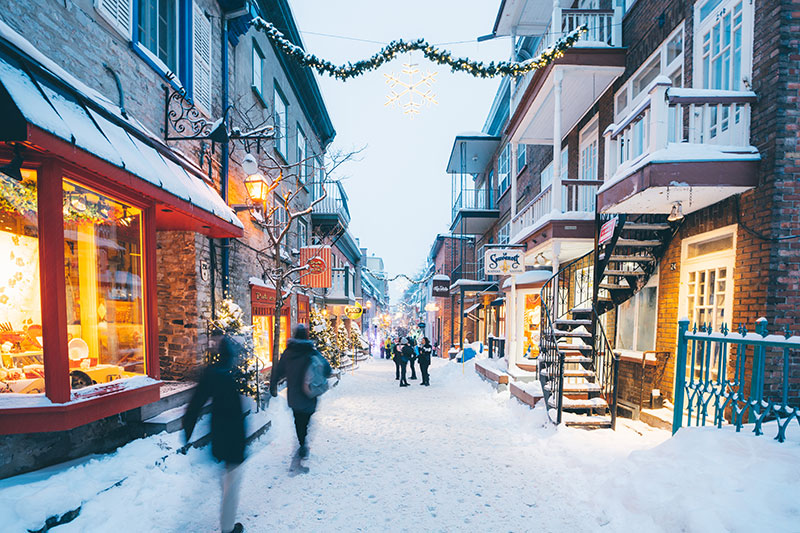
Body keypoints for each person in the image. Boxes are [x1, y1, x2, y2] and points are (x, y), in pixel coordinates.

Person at [183, 334, 246, 533]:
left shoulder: (212, 374)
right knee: (232, 483)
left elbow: (195, 404)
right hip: (233, 433)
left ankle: (227, 522)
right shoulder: (229, 374)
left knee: (229, 479)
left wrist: (188, 430)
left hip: (220, 432)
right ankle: (228, 528)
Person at [270, 324, 332, 470]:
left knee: (298, 420)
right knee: (306, 420)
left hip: (294, 396)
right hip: (309, 394)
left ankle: (301, 442)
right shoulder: (311, 352)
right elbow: (327, 369)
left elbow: (278, 371)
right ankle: (303, 444)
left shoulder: (288, 353)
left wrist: (273, 383)